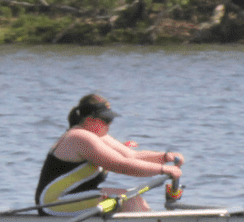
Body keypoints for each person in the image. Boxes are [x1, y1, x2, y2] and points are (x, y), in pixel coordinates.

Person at [35, 92, 183, 215]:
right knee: (130, 200)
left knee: (132, 198)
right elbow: (121, 165)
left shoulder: (96, 136)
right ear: (90, 119)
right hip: (53, 203)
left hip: (74, 196)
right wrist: (163, 169)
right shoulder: (79, 137)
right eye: (106, 119)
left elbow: (132, 156)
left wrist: (165, 157)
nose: (110, 123)